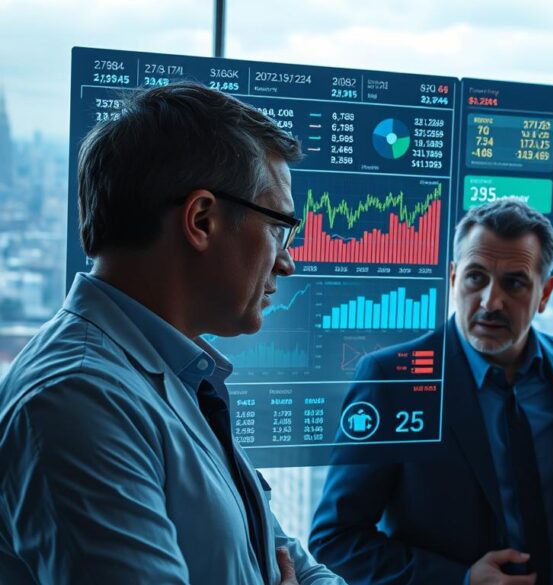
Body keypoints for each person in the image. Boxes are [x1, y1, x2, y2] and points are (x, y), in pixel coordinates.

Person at [0, 82, 344, 585]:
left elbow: (286, 557)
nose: (287, 262)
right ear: (201, 219)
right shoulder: (77, 400)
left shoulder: (172, 374)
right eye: (278, 228)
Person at [310, 200, 553, 585]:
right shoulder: (391, 379)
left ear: (545, 293)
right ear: (452, 278)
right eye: (475, 278)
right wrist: (460, 580)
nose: (490, 302)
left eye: (514, 283)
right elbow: (335, 539)